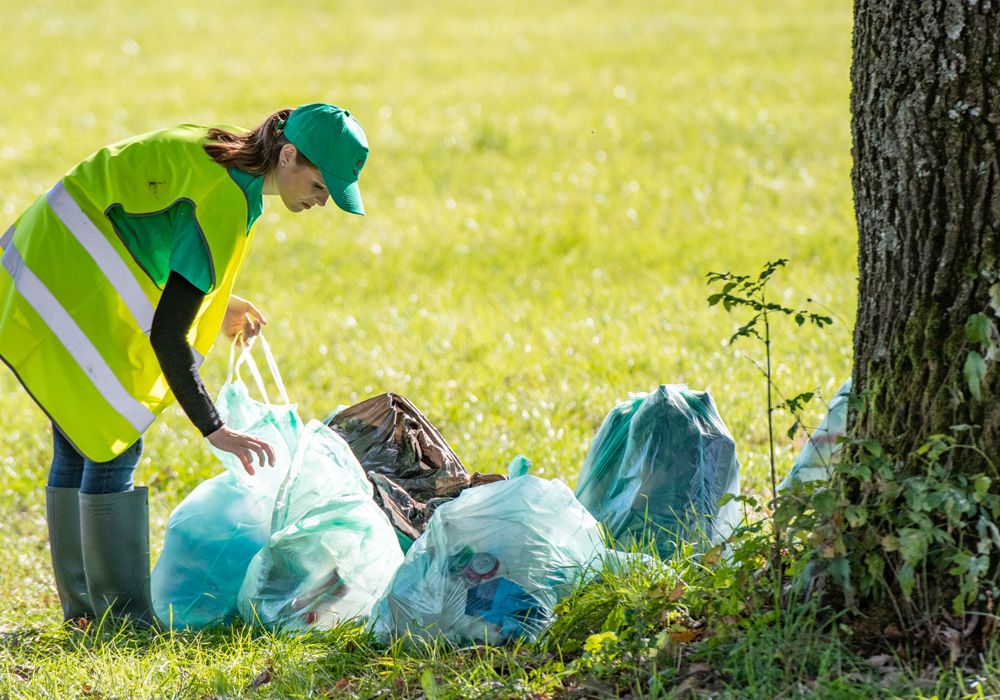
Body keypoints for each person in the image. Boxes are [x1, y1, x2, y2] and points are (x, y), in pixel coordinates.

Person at [0, 103, 369, 625]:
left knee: (80, 436)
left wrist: (223, 303)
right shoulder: (224, 202)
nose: (320, 201)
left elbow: (164, 235)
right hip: (68, 281)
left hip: (48, 256)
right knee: (112, 436)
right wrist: (215, 428)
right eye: (319, 186)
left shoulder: (218, 148)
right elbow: (169, 336)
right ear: (288, 156)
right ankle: (120, 620)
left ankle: (85, 612)